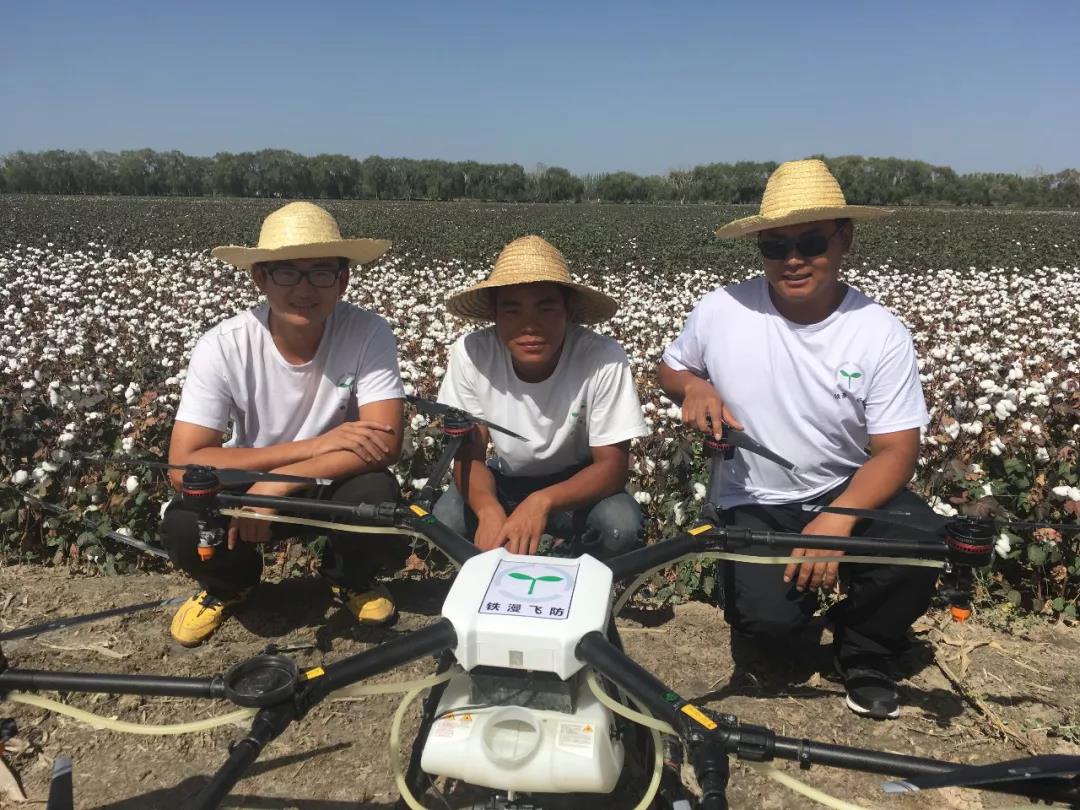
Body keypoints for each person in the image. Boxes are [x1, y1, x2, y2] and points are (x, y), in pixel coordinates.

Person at [658, 159, 939, 719]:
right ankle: (800, 619)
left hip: (841, 485)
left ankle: (865, 649)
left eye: (810, 242)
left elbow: (897, 451)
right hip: (754, 501)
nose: (792, 259)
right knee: (772, 641)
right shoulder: (722, 310)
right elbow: (671, 368)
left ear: (845, 240)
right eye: (774, 245)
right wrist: (693, 387)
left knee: (922, 539)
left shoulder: (878, 331)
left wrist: (838, 518)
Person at [161, 201, 407, 646]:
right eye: (287, 272)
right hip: (255, 482)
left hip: (330, 484)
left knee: (376, 493)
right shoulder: (223, 345)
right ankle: (231, 586)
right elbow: (183, 464)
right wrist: (307, 450)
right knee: (184, 520)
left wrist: (278, 485)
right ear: (261, 278)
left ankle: (350, 578)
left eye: (321, 272)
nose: (305, 287)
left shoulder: (368, 332)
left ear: (343, 279)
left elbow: (385, 441)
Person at [432, 235, 649, 560]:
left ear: (568, 309)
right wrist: (489, 510)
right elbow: (468, 455)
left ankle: (568, 581)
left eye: (545, 309)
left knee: (620, 526)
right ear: (494, 312)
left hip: (577, 483)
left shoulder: (602, 357)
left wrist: (542, 501)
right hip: (503, 482)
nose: (529, 327)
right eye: (513, 310)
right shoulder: (472, 354)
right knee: (446, 521)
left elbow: (612, 468)